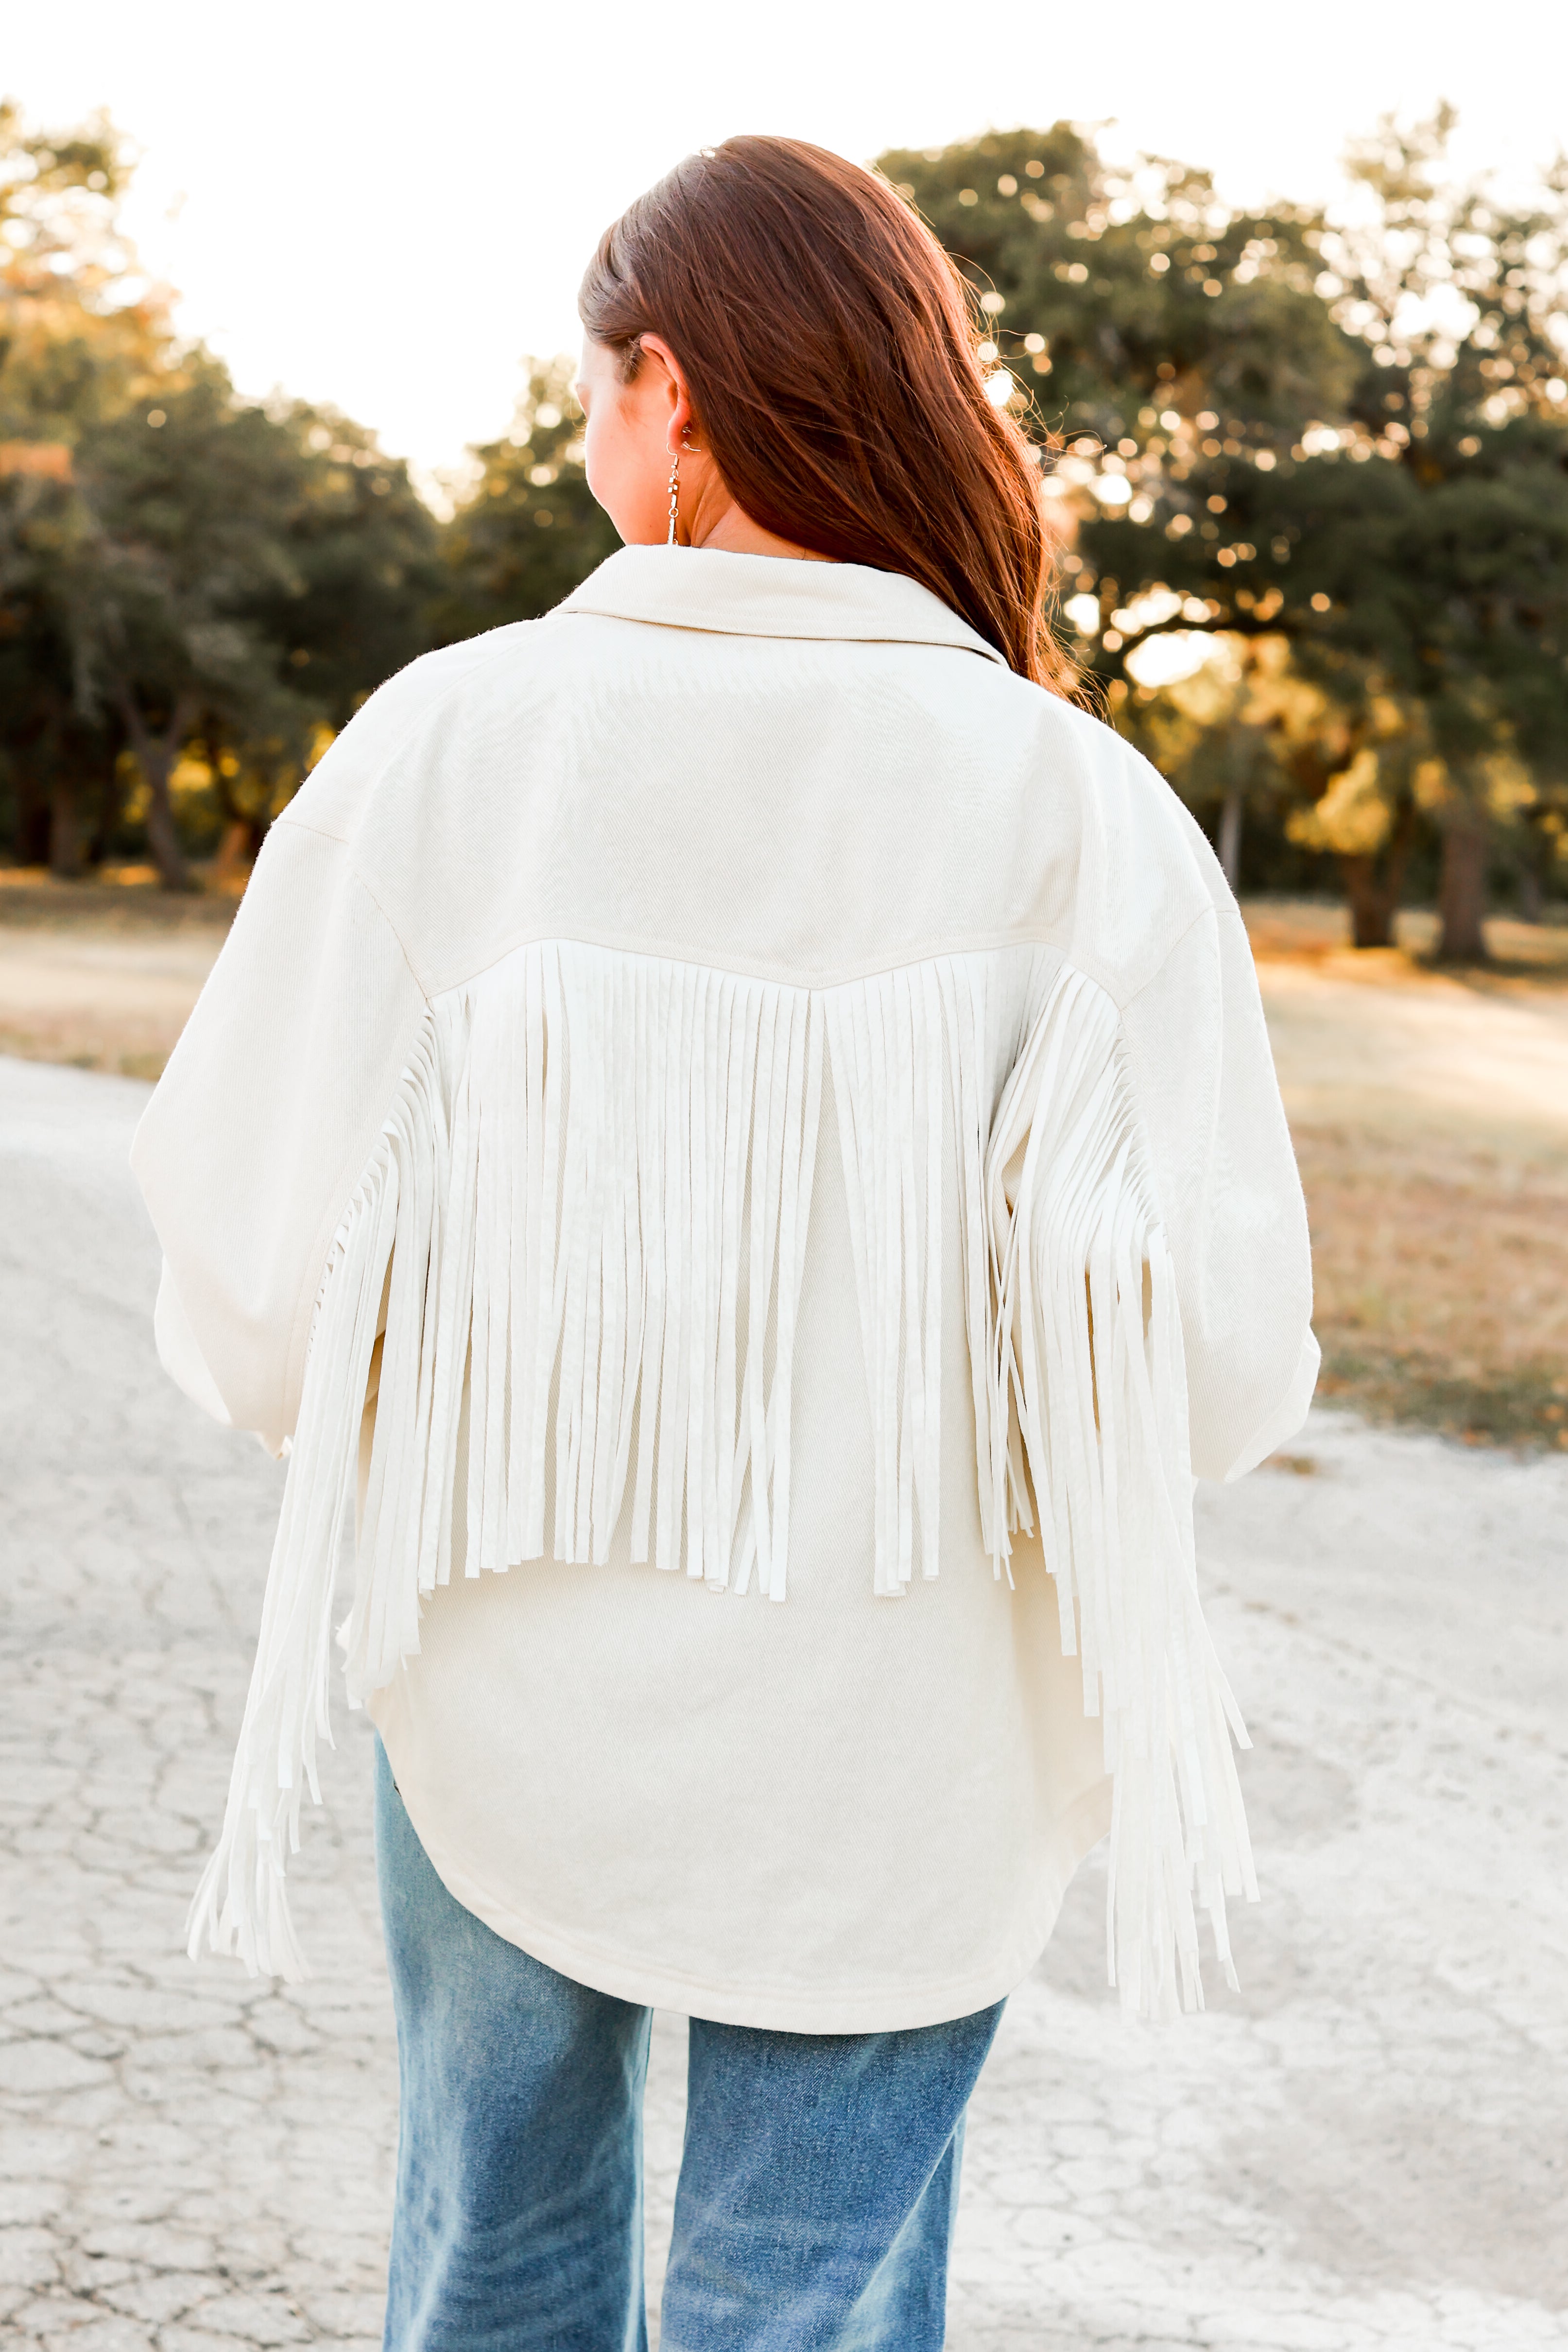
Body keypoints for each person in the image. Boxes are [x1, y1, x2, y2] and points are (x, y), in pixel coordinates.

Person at [132, 135, 1316, 2352]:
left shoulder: (449, 750)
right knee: (805, 2320)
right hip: (918, 1743)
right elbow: (1224, 1374)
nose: (586, 435)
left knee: (498, 2268)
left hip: (503, 1688)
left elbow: (262, 1288)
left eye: (587, 390)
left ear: (669, 396)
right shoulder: (1080, 810)